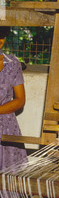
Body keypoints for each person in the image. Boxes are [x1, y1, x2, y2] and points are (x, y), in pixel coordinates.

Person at [0, 26, 27, 170]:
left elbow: (20, 100)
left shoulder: (12, 63)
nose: (0, 40)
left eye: (2, 36)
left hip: (7, 126)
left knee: (10, 179)